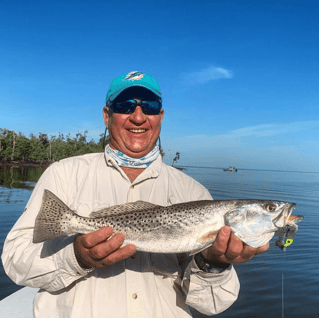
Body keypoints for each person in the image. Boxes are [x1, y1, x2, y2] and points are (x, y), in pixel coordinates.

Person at [2, 71, 269, 318]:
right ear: (107, 115)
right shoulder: (64, 173)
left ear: (160, 116)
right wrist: (76, 258)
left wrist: (214, 264)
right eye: (125, 105)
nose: (138, 116)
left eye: (149, 106)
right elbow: (15, 261)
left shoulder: (193, 191)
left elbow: (213, 304)